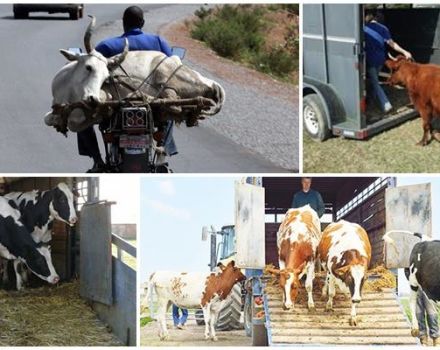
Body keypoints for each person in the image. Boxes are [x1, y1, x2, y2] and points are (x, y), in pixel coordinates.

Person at [77, 5, 178, 172]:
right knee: (170, 109)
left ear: (124, 23)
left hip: (115, 106)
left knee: (81, 116)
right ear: (142, 23)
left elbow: (91, 71)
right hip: (153, 106)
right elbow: (172, 69)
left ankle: (97, 160)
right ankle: (162, 150)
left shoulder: (107, 47)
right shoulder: (158, 42)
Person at [364, 9, 412, 113]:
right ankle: (370, 100)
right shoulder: (383, 28)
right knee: (374, 80)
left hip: (370, 59)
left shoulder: (364, 28)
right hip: (381, 60)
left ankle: (386, 104)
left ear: (369, 16)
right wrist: (405, 52)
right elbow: (392, 44)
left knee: (375, 82)